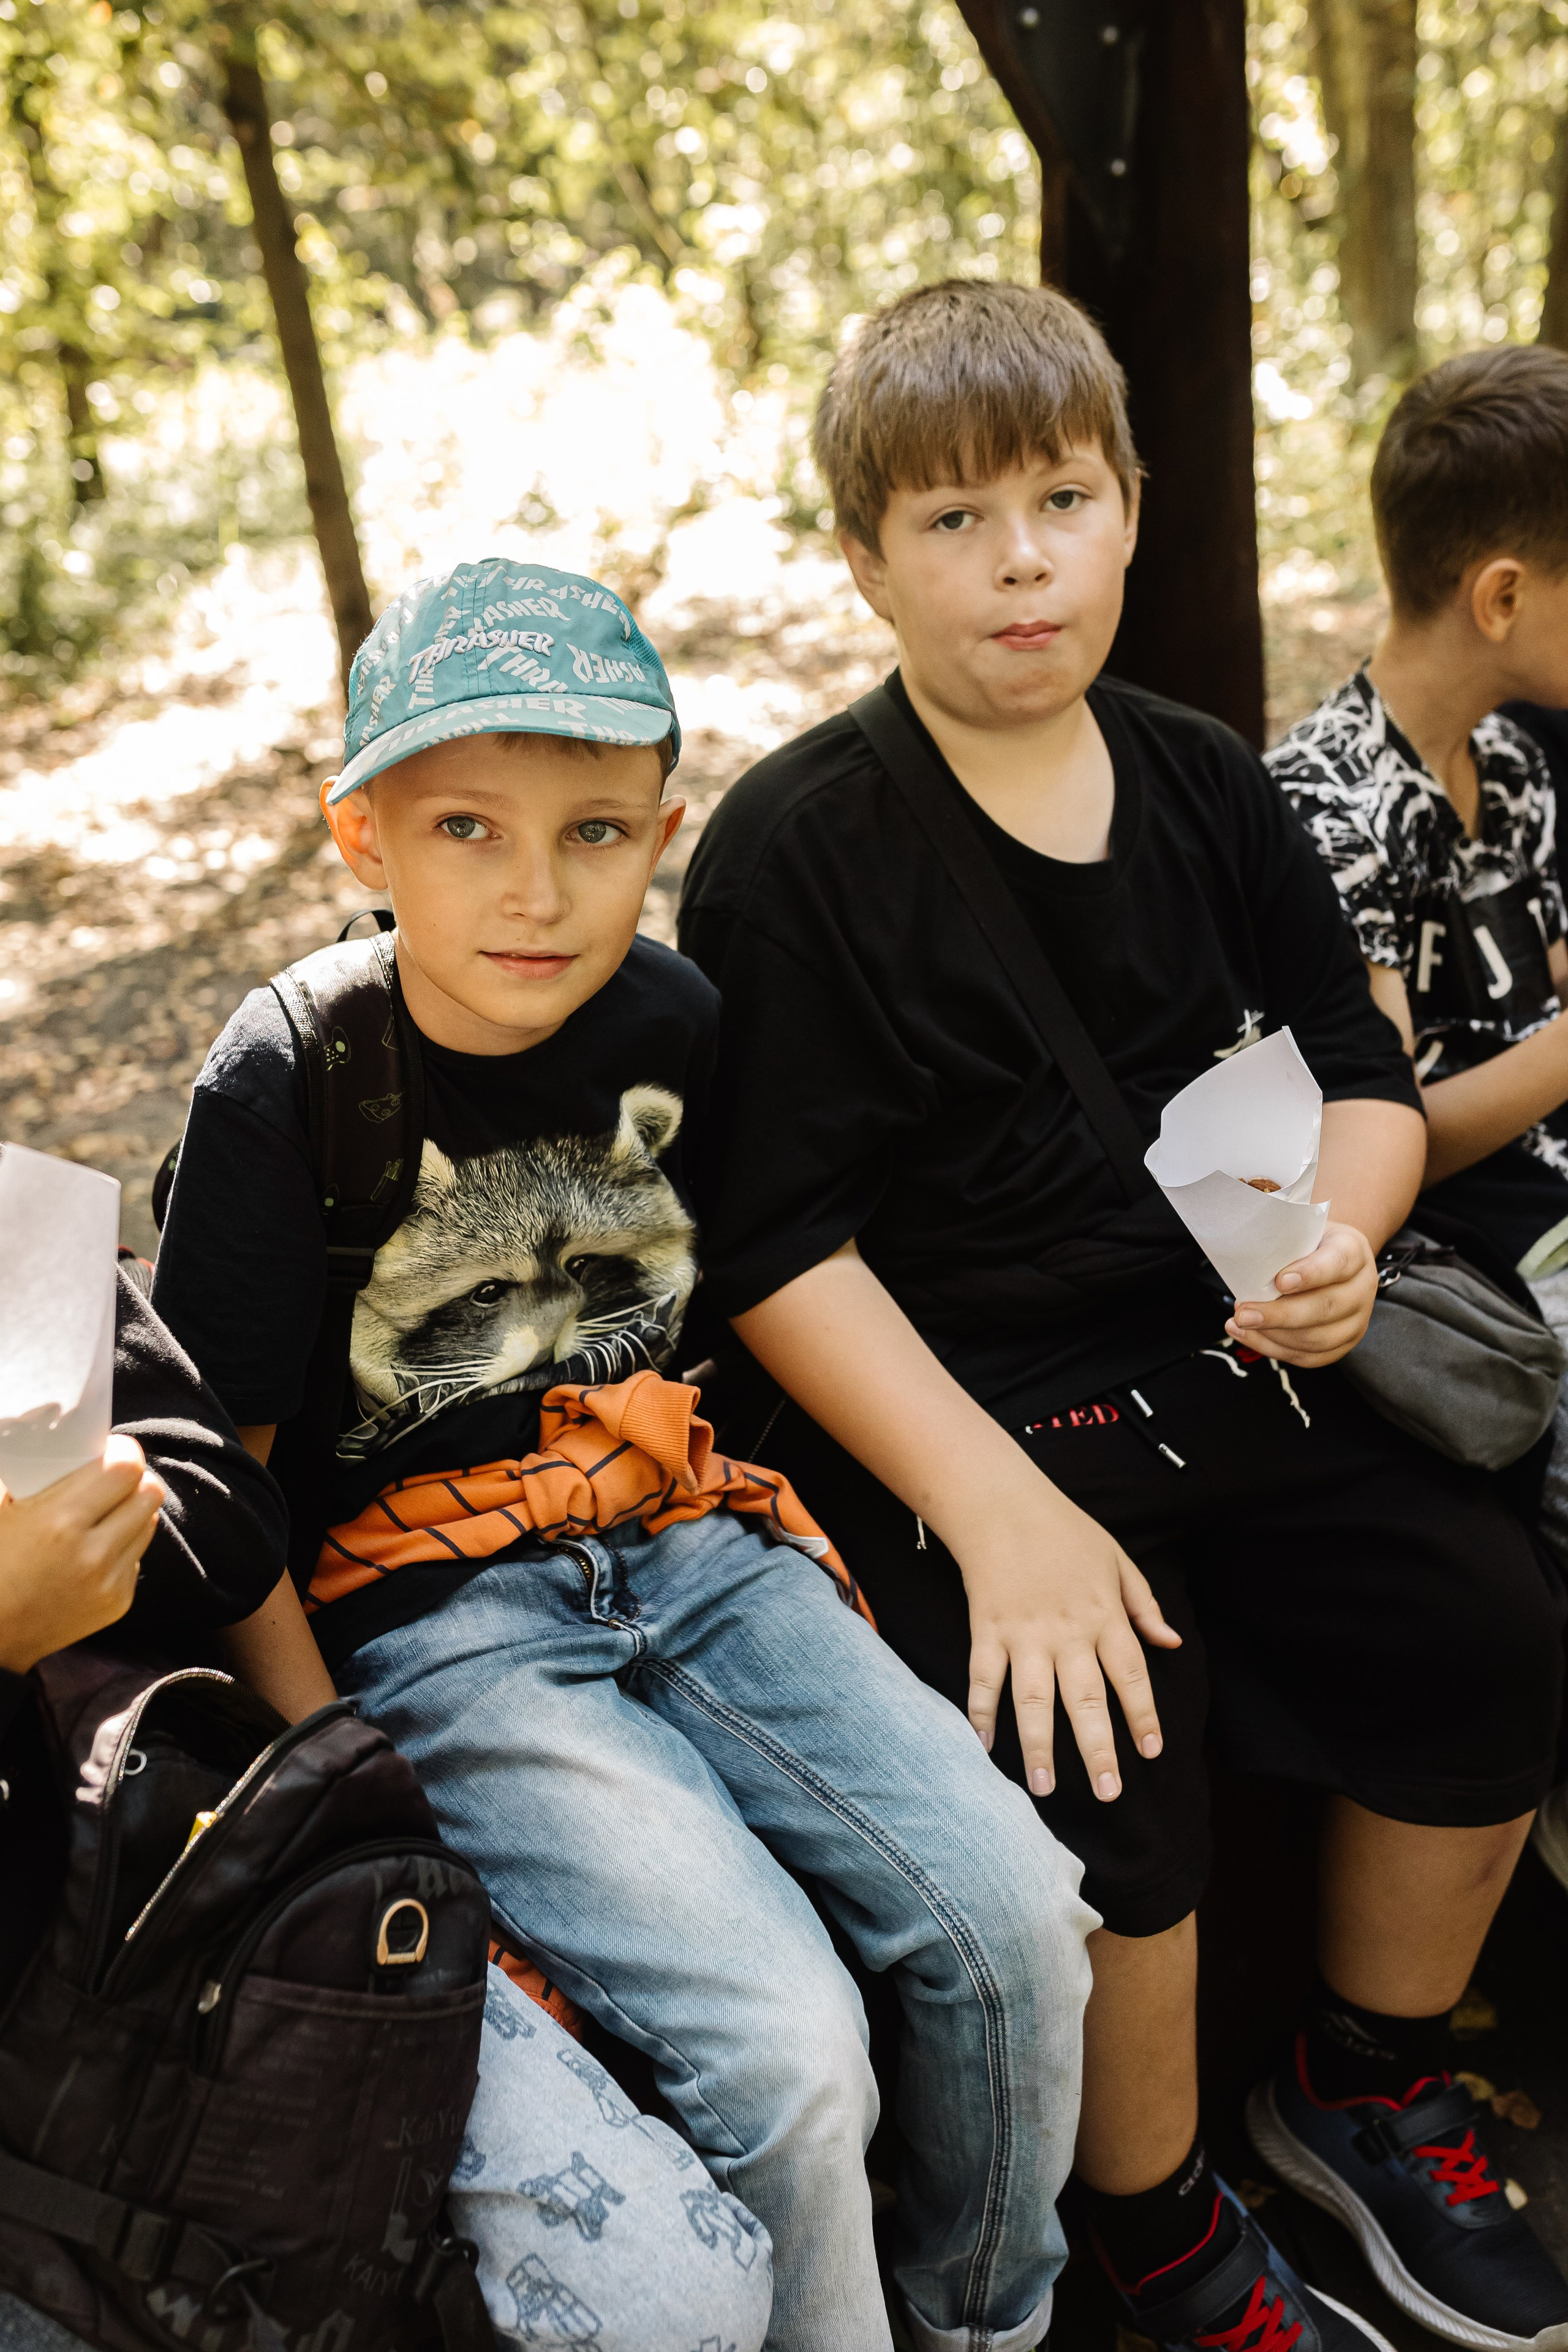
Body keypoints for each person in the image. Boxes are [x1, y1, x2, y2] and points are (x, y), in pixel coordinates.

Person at [675, 281, 1568, 2352]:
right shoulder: (796, 853)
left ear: (1133, 510)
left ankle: (1356, 2084)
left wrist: (1337, 1242)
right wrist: (993, 1516)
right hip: (953, 1420)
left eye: (1062, 499)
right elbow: (780, 1249)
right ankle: (1157, 2228)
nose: (1022, 561)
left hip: (1223, 1349)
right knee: (1107, 1754)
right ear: (864, 561)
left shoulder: (1193, 780)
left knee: (1476, 1614)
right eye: (955, 522)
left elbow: (1360, 1068)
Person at [150, 557, 1096, 2352]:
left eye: (595, 832)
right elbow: (229, 1482)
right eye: (466, 830)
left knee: (1019, 1919)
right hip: (436, 1620)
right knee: (787, 2048)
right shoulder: (292, 1073)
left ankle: (983, 2319)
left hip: (683, 1540)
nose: (535, 891)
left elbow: (755, 1299)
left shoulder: (677, 1024)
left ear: (663, 833)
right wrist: (321, 1771)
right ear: (362, 839)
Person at [0, 1267, 772, 2352]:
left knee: (682, 2293)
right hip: (43, 2080)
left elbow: (223, 1506)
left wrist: (373, 1817)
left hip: (191, 1872)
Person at [1265, 347, 1568, 1905]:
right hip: (1463, 1264)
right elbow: (1382, 1133)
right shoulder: (1327, 804)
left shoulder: (1509, 761)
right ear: (1501, 596)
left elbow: (1538, 977)